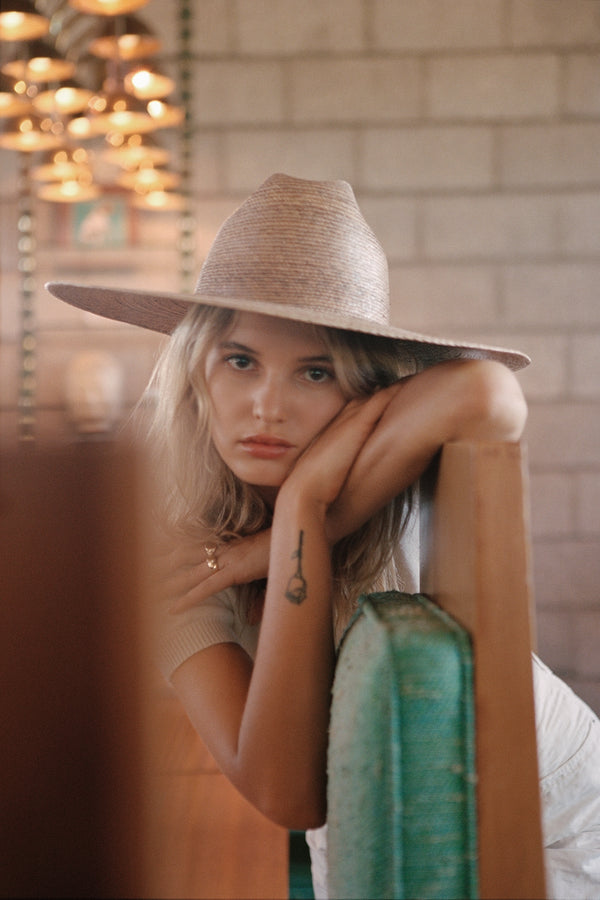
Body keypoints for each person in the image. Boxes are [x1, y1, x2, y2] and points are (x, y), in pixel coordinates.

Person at [47, 173, 600, 899]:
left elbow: (486, 390)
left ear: (360, 391)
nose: (267, 406)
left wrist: (301, 516)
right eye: (240, 361)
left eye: (315, 371)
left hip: (563, 815)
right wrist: (297, 523)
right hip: (375, 822)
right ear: (197, 373)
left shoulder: (388, 459)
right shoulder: (175, 545)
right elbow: (287, 792)